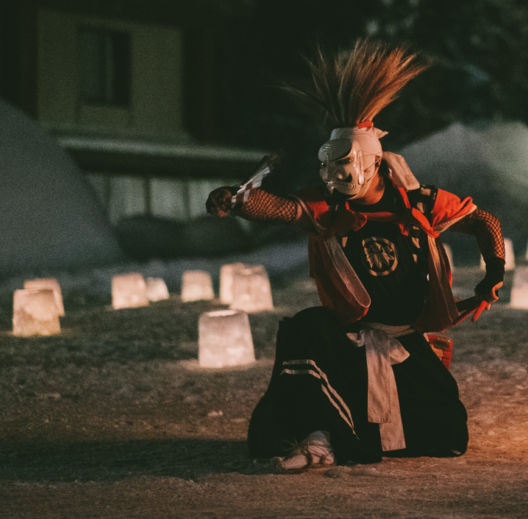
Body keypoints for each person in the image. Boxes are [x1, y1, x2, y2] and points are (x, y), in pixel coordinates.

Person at [206, 42, 506, 471]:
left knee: (447, 437)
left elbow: (486, 221)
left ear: (370, 162)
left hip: (404, 336)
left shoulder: (420, 203)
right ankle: (319, 435)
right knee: (307, 328)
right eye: (328, 169)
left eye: (344, 167)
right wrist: (239, 202)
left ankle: (337, 432)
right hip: (346, 340)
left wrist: (492, 273)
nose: (335, 178)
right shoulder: (329, 210)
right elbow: (284, 208)